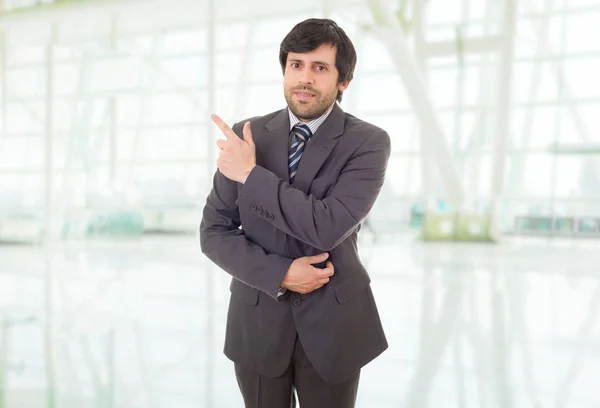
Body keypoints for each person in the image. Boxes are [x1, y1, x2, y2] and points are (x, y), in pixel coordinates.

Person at [200, 18, 390, 408]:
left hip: (333, 325)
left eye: (319, 68)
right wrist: (281, 275)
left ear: (343, 82)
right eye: (296, 65)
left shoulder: (367, 142)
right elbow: (214, 232)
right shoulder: (247, 134)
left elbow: (326, 226)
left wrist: (250, 175)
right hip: (257, 319)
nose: (304, 78)